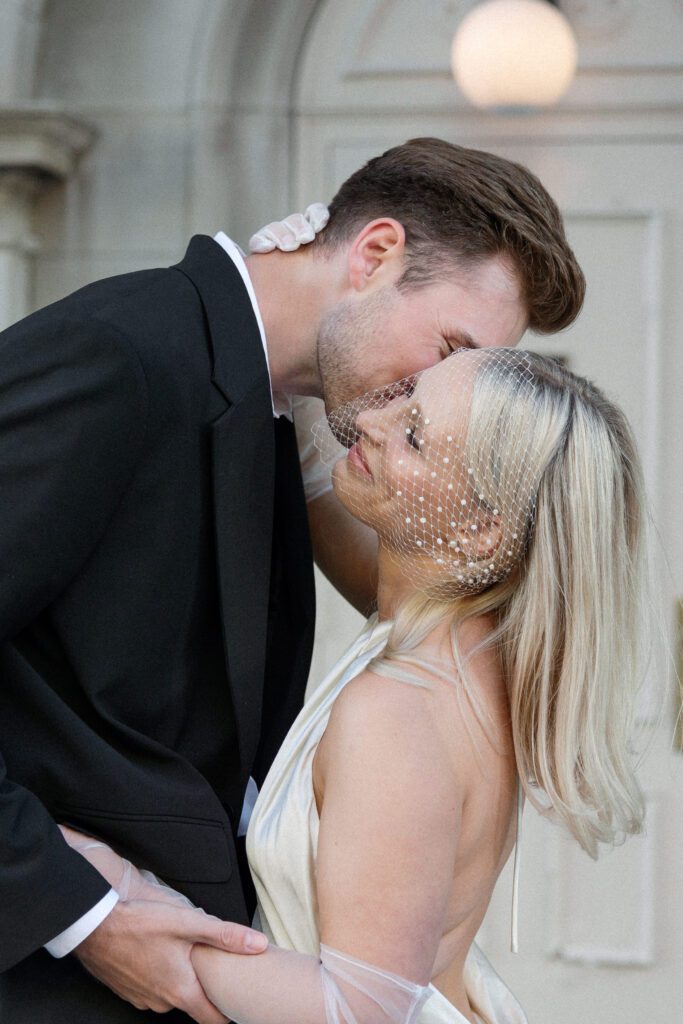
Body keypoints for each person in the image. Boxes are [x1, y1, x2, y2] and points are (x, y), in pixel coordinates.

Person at [0, 138, 584, 1023]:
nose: (432, 393)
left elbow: (425, 584)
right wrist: (81, 913)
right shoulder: (121, 356)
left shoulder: (286, 409)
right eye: (448, 347)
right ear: (376, 252)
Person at [61, 347, 649, 1024]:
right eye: (403, 393)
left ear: (483, 530)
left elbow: (356, 1010)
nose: (374, 421)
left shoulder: (398, 712)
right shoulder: (473, 651)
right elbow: (344, 516)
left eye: (414, 434)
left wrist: (132, 912)